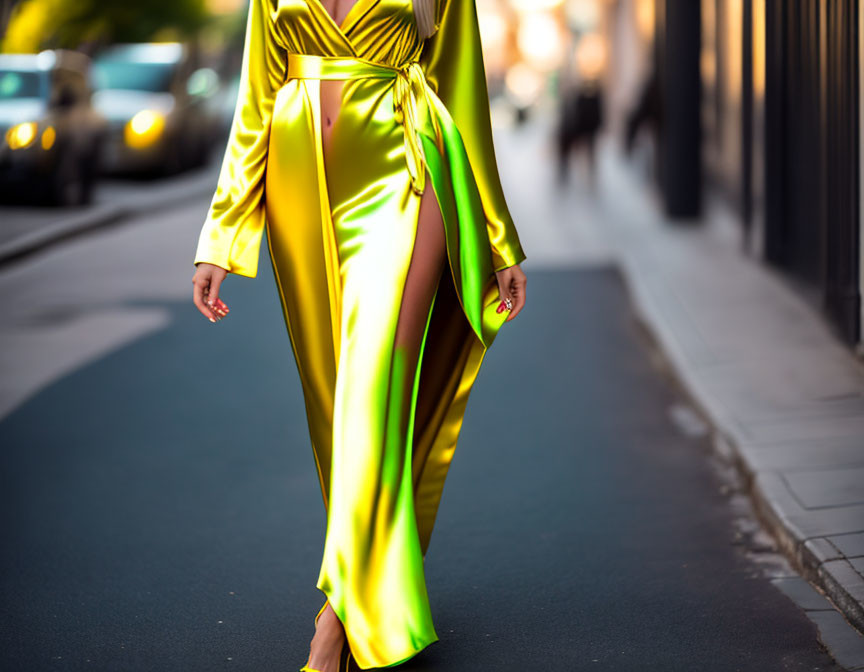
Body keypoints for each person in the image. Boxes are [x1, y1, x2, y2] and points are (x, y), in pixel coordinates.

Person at [190, 1, 527, 670]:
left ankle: (335, 624)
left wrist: (496, 233)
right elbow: (260, 89)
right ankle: (372, 585)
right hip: (297, 183)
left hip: (405, 165)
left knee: (376, 388)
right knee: (335, 406)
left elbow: (461, 86)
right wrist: (221, 235)